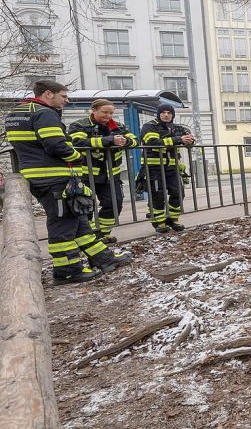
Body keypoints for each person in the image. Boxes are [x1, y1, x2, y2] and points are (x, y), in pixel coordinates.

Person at [5, 80, 132, 284]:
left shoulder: (16, 113)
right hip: (53, 176)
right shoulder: (44, 113)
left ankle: (103, 258)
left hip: (39, 174)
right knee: (62, 222)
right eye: (63, 96)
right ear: (48, 94)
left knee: (78, 219)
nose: (67, 100)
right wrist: (77, 157)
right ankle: (67, 269)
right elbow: (56, 145)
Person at [68, 99, 138, 244]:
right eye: (104, 112)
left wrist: (125, 141)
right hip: (86, 175)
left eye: (111, 112)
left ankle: (100, 233)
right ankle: (86, 238)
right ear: (93, 110)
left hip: (111, 174)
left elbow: (135, 140)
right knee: (86, 206)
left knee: (115, 203)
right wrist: (108, 141)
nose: (108, 116)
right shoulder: (79, 125)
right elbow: (77, 143)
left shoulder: (117, 126)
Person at [140, 104, 195, 233]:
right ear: (158, 114)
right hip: (154, 168)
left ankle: (172, 219)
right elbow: (152, 142)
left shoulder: (177, 128)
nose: (166, 115)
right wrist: (178, 139)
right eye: (163, 112)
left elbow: (191, 141)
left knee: (178, 193)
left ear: (172, 115)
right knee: (157, 195)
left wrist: (189, 141)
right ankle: (159, 222)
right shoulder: (149, 126)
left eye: (169, 113)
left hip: (172, 167)